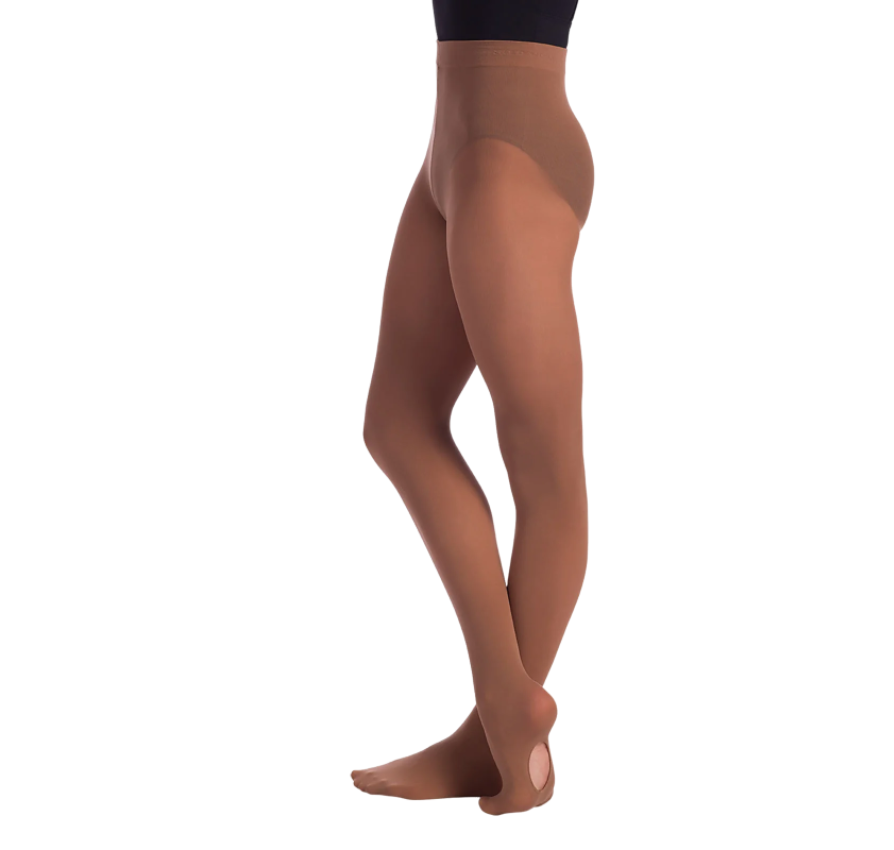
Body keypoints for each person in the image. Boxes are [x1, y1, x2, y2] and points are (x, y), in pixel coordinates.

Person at [351, 0, 593, 815]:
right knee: (397, 422)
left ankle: (504, 710)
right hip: (452, 153)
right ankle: (497, 719)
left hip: (509, 160)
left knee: (544, 466)